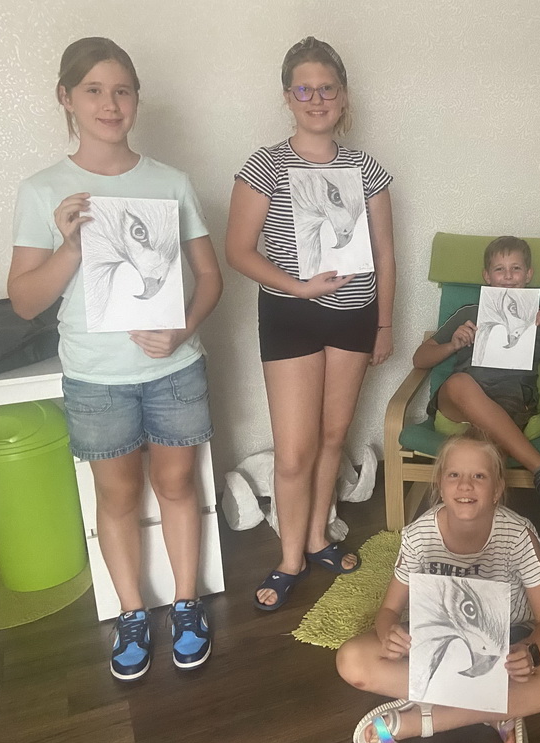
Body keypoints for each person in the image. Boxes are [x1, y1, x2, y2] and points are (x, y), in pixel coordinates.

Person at [7, 38, 223, 680]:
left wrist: (182, 329)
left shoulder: (170, 182)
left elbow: (210, 278)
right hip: (95, 378)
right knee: (117, 494)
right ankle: (132, 612)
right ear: (66, 98)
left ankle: (186, 603)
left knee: (178, 485)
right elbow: (24, 301)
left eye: (122, 90)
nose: (110, 103)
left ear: (136, 99)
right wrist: (71, 247)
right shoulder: (42, 190)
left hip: (174, 370)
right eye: (94, 90)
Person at [226, 37, 395, 611]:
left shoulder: (366, 169)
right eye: (305, 89)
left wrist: (385, 324)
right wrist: (298, 286)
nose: (317, 99)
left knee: (331, 438)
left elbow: (385, 252)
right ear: (287, 97)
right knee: (294, 451)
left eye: (327, 88)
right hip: (290, 315)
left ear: (343, 97)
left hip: (356, 315)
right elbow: (237, 250)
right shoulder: (266, 164)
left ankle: (319, 537)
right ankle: (289, 558)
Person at [336, 428, 540, 743]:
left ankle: (423, 719)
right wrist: (388, 635)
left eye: (479, 476)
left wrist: (531, 652)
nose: (465, 485)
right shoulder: (418, 535)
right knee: (351, 660)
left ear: (497, 490)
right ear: (440, 484)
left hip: (507, 642)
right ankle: (496, 711)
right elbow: (389, 611)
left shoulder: (518, 535)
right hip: (434, 640)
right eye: (454, 474)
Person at [412, 236, 540, 524]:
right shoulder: (470, 312)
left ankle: (476, 525)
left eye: (516, 268)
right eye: (499, 269)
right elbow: (420, 359)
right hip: (457, 400)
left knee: (489, 445)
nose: (508, 276)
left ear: (528, 274)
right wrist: (453, 345)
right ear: (487, 276)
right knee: (459, 383)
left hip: (512, 401)